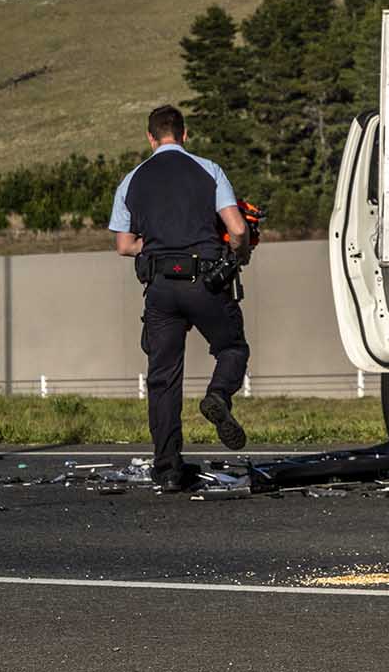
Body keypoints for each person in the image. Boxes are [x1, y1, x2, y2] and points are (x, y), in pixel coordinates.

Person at [109, 105, 251, 491]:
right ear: (185, 135)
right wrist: (238, 252)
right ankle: (218, 395)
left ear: (150, 138)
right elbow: (237, 228)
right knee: (232, 347)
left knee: (163, 379)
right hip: (205, 280)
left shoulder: (132, 179)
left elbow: (124, 245)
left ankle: (168, 470)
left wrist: (157, 246)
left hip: (160, 287)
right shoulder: (208, 169)